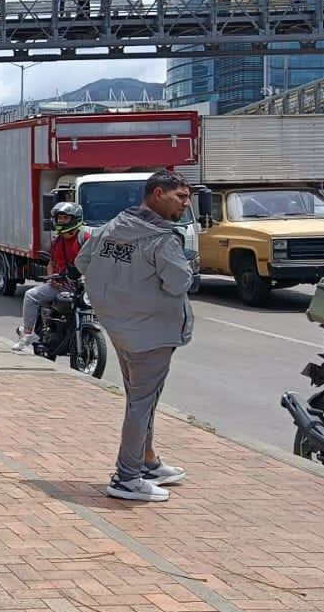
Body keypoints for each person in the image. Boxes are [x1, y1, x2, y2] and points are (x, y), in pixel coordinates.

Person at [76, 171, 195, 503]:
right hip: (151, 332)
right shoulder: (161, 238)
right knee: (142, 403)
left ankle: (148, 460)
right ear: (158, 194)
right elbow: (178, 284)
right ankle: (127, 477)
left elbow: (83, 261)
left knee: (142, 398)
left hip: (120, 326)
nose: (186, 205)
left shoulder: (115, 225)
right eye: (181, 197)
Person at [12, 201, 91, 350]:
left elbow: (96, 260)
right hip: (61, 285)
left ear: (74, 218)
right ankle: (28, 333)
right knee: (30, 295)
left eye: (65, 218)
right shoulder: (57, 240)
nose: (61, 221)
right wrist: (51, 279)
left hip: (84, 286)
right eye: (59, 218)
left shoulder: (85, 237)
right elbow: (51, 263)